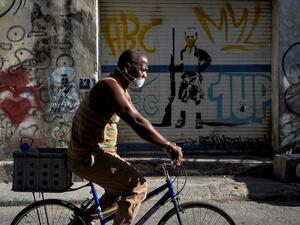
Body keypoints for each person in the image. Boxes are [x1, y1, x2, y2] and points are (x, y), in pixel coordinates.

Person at [67, 49, 183, 225]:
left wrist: (165, 144)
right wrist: (167, 145)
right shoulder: (109, 86)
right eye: (143, 69)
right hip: (88, 156)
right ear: (128, 68)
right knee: (138, 186)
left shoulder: (121, 90)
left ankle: (84, 222)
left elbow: (140, 119)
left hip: (99, 154)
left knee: (119, 192)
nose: (146, 74)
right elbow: (136, 121)